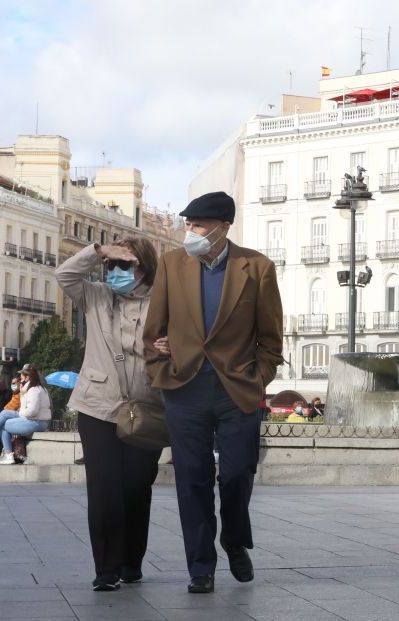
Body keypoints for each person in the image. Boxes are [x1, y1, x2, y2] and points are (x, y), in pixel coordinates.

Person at [143, 191, 284, 594]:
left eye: (199, 224)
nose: (190, 231)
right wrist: (161, 368)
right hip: (183, 388)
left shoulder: (257, 267)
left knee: (239, 472)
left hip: (236, 389)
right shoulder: (171, 265)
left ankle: (235, 540)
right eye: (188, 224)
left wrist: (258, 377)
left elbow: (271, 338)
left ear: (224, 227)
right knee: (192, 479)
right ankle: (200, 566)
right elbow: (153, 333)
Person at [57, 236, 163, 592]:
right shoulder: (97, 296)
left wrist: (173, 346)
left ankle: (132, 559)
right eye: (112, 266)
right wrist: (99, 252)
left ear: (144, 267)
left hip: (147, 407)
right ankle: (106, 568)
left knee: (135, 486)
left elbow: (191, 343)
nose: (115, 272)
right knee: (103, 488)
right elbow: (65, 275)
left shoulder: (165, 304)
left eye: (125, 264)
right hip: (98, 404)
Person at [0, 366, 51, 465]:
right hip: (34, 421)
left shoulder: (35, 390)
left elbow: (32, 411)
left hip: (37, 422)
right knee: (3, 418)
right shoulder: (30, 389)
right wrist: (22, 392)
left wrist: (19, 414)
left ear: (28, 378)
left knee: (2, 423)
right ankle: (7, 454)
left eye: (22, 378)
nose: (20, 379)